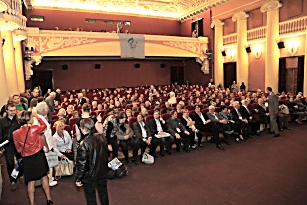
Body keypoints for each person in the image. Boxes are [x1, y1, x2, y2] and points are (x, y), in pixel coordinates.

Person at [13, 110, 53, 205]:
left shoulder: (15, 133)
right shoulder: (35, 128)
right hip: (38, 155)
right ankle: (49, 199)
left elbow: (18, 149)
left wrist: (26, 150)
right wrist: (38, 117)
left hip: (27, 158)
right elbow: (45, 126)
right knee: (44, 177)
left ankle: (32, 203)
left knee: (31, 182)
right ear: (29, 120)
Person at [75, 118, 109, 205]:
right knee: (103, 192)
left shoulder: (83, 144)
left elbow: (81, 164)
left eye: (81, 128)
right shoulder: (101, 137)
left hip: (89, 175)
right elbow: (106, 154)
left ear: (84, 128)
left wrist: (78, 178)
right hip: (102, 171)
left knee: (91, 197)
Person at [0, 103, 22, 190]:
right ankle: (13, 180)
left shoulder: (18, 119)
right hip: (7, 144)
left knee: (20, 160)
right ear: (7, 111)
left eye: (14, 110)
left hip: (18, 143)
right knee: (9, 163)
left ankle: (19, 174)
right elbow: (0, 133)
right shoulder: (2, 121)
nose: (13, 112)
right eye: (11, 111)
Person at [36, 102, 58, 186]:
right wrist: (46, 146)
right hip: (45, 145)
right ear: (42, 110)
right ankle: (49, 180)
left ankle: (49, 178)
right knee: (48, 162)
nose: (48, 109)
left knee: (49, 162)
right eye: (46, 108)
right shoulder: (38, 119)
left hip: (48, 143)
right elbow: (41, 135)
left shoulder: (42, 118)